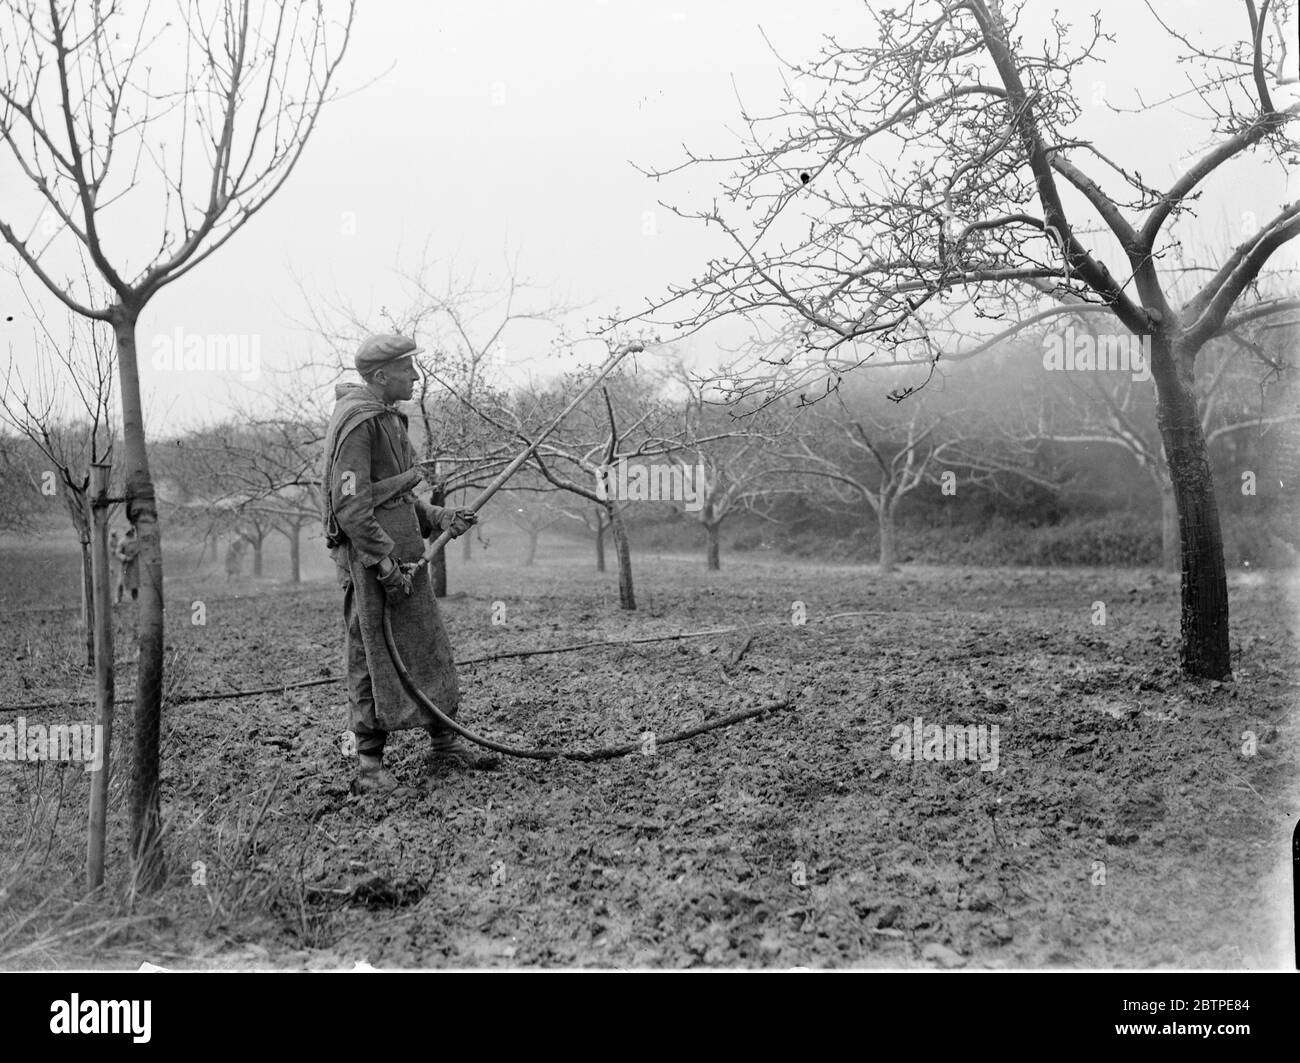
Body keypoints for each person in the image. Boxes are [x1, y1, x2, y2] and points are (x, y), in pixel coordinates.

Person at [322, 333, 499, 794]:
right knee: (371, 654)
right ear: (381, 376)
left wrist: (440, 517)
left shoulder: (388, 420)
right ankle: (369, 767)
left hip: (406, 558)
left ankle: (445, 743)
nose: (416, 377)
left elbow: (398, 497)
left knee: (426, 645)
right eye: (407, 371)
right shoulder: (358, 423)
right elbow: (351, 506)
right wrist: (384, 565)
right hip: (371, 563)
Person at [115, 525, 140, 603]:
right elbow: (118, 553)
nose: (131, 532)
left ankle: (135, 599)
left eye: (132, 530)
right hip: (125, 566)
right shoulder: (122, 541)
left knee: (135, 583)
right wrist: (125, 558)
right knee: (121, 582)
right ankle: (118, 599)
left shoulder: (137, 540)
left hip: (135, 566)